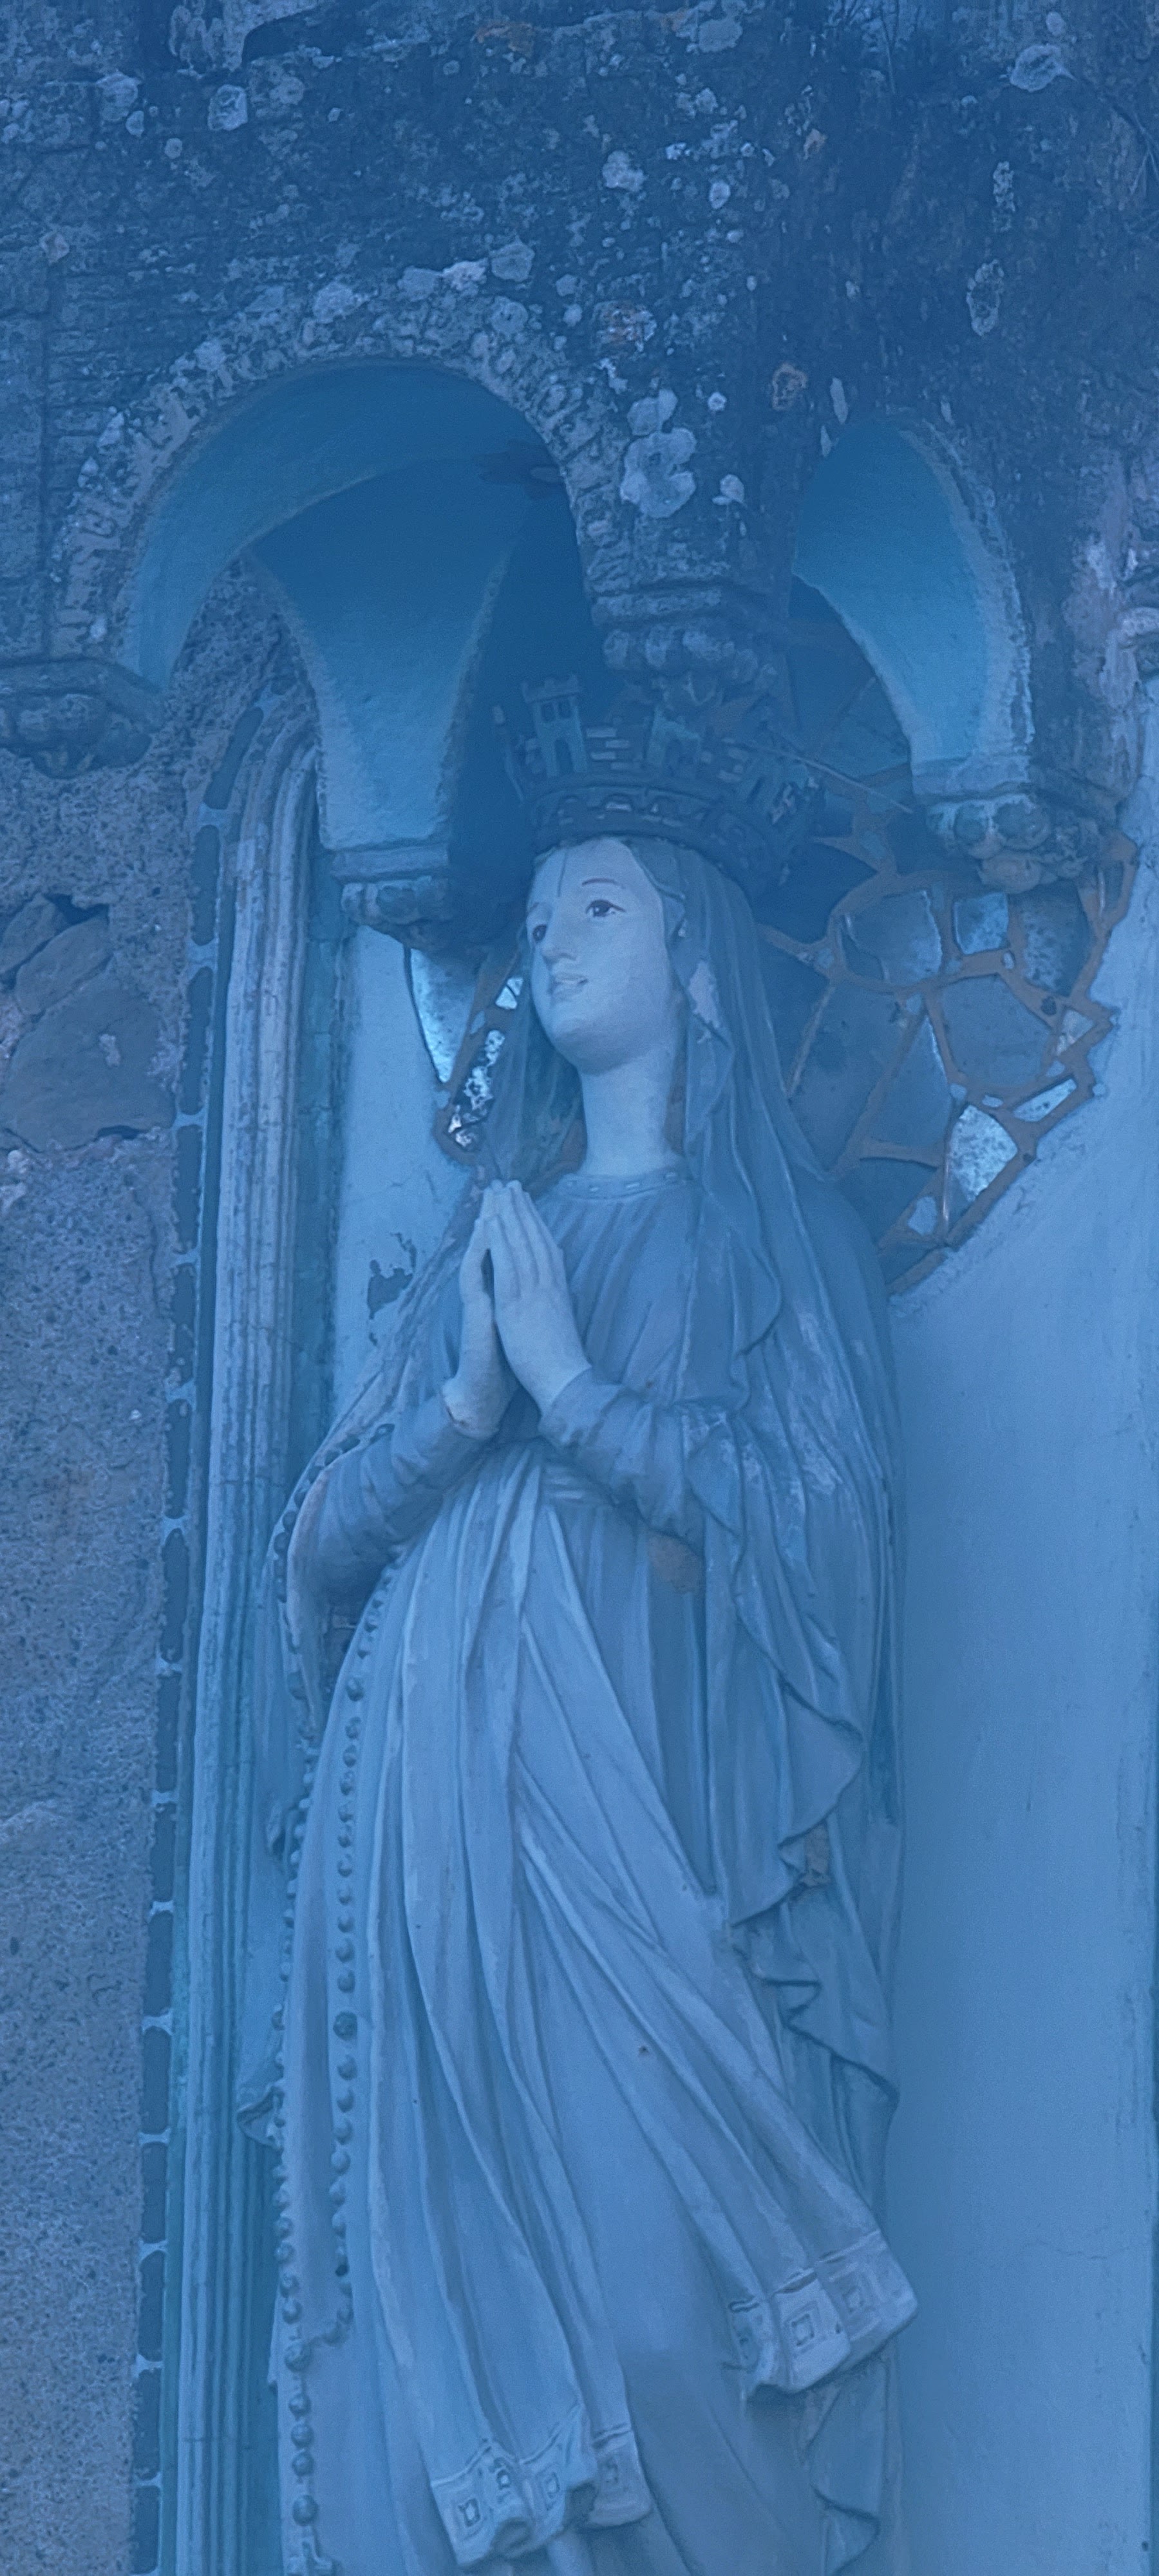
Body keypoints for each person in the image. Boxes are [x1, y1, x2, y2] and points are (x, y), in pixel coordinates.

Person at [240, 832, 914, 2576]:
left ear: (694, 960)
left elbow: (824, 1534)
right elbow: (319, 1547)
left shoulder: (777, 1246)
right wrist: (470, 1404)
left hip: (657, 1820)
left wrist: (578, 1392)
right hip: (443, 1839)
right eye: (534, 917)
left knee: (662, 2315)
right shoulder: (487, 1246)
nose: (551, 939)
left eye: (598, 907)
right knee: (451, 2306)